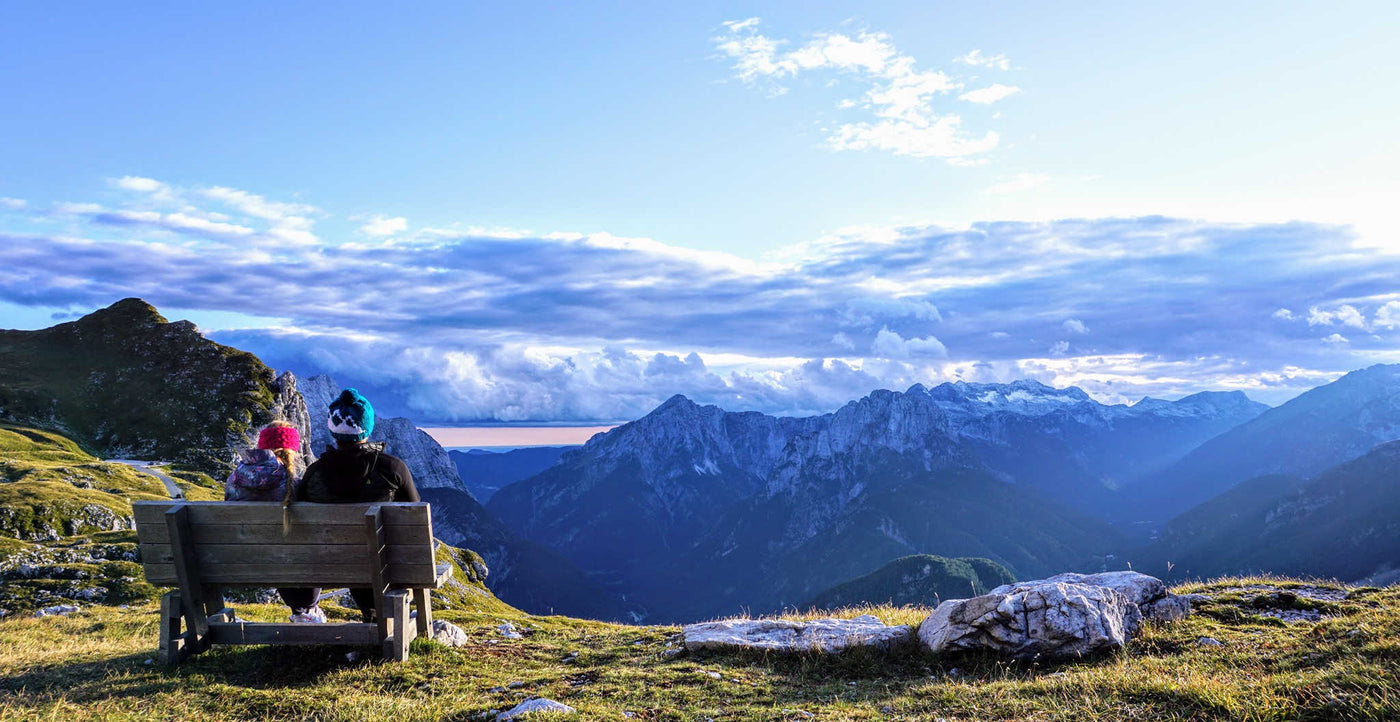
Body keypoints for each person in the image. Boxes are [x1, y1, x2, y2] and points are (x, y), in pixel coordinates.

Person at [297, 388, 419, 622]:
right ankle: (380, 617)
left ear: (333, 430)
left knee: (355, 550)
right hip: (384, 565)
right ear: (367, 428)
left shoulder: (314, 474)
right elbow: (414, 518)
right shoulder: (393, 469)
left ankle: (372, 616)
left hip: (328, 564)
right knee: (373, 548)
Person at [225, 421, 325, 623]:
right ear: (292, 450)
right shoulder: (293, 483)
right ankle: (305, 610)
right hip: (285, 565)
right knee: (295, 548)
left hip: (238, 562)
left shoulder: (234, 478)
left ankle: (303, 611)